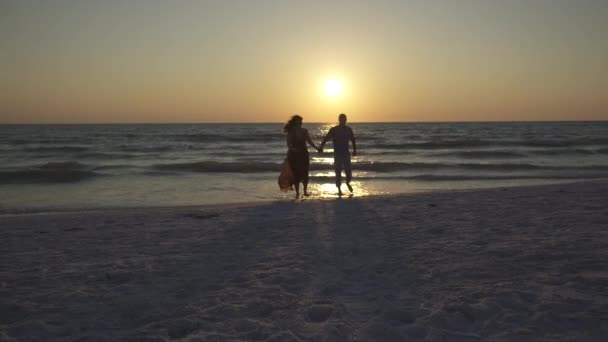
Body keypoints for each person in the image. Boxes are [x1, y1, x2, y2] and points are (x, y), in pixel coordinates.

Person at [319, 113, 357, 196]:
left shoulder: (348, 129)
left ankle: (347, 183)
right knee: (338, 172)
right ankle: (339, 189)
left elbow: (353, 140)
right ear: (339, 120)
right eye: (342, 119)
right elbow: (326, 138)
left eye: (345, 119)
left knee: (349, 172)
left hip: (346, 154)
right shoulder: (334, 129)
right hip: (337, 154)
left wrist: (354, 150)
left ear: (346, 120)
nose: (344, 121)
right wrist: (321, 146)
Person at [283, 115, 319, 198]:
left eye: (301, 122)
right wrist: (292, 149)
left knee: (305, 173)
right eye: (299, 122)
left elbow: (310, 141)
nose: (300, 124)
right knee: (296, 174)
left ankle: (305, 191)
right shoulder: (291, 132)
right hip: (294, 155)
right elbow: (288, 144)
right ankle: (297, 193)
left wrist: (317, 148)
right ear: (295, 123)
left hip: (304, 154)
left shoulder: (304, 131)